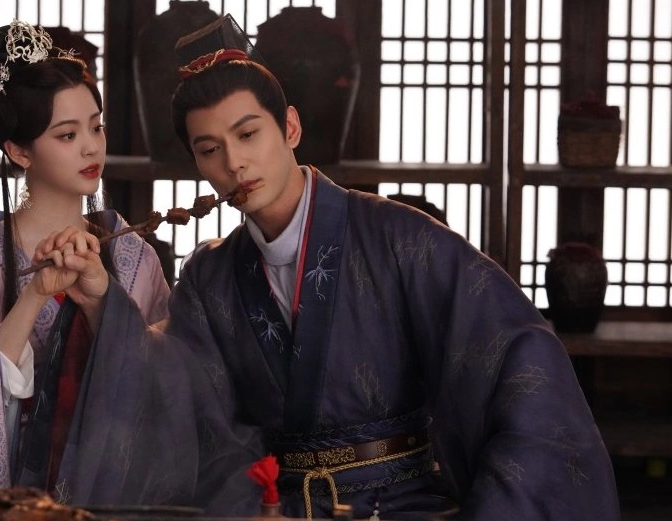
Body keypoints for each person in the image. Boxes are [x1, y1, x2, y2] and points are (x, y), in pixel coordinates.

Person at [156, 14, 621, 520]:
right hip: (274, 510)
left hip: (399, 504)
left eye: (248, 134)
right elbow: (193, 415)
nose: (234, 163)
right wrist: (102, 302)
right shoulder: (209, 277)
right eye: (210, 149)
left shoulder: (401, 238)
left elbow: (517, 356)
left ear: (289, 127)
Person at [0, 20, 261, 513]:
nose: (91, 147)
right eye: (67, 134)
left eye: (96, 126)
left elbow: (169, 382)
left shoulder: (131, 256)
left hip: (108, 490)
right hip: (6, 500)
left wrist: (104, 304)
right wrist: (36, 293)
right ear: (19, 151)